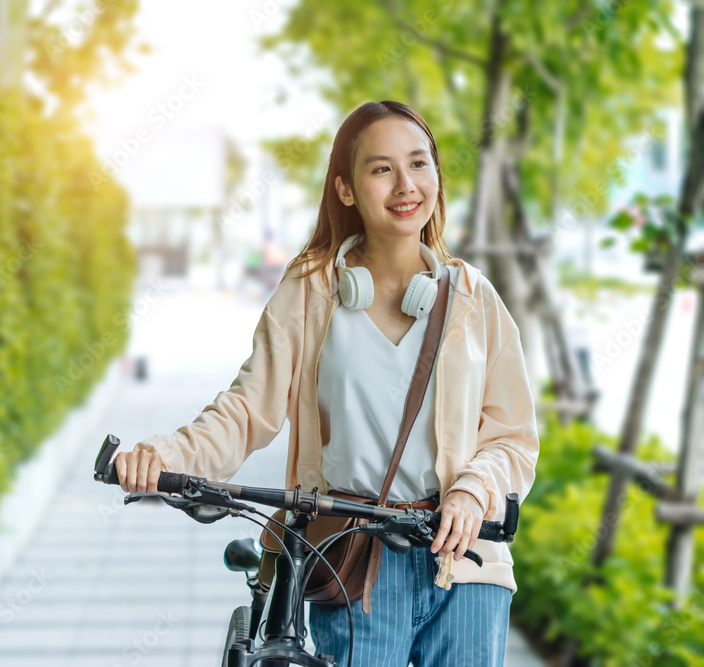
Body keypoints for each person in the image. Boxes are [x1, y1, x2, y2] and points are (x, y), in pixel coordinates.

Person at [112, 101, 540, 666]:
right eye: (381, 168)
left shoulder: (471, 296)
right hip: (354, 561)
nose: (406, 184)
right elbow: (247, 409)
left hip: (467, 561)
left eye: (419, 163)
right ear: (345, 188)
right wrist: (165, 455)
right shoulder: (312, 290)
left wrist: (473, 488)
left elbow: (513, 436)